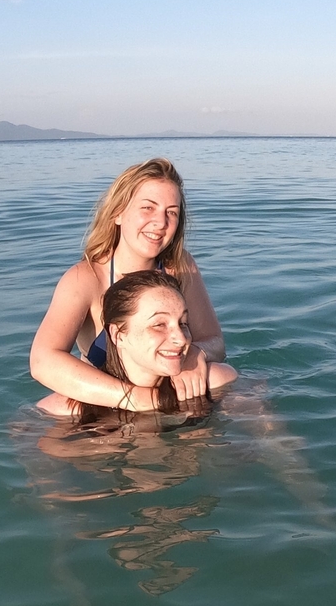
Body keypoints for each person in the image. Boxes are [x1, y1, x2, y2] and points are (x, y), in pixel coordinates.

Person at [30, 158, 225, 412]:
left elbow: (216, 343)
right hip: (107, 404)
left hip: (169, 394)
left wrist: (195, 353)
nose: (160, 222)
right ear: (118, 213)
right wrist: (134, 399)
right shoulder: (86, 278)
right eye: (148, 208)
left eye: (171, 212)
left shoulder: (180, 266)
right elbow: (43, 362)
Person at [37, 270, 237, 419]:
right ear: (117, 335)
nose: (181, 338)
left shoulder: (216, 382)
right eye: (159, 325)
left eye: (183, 323)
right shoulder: (63, 410)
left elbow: (259, 439)